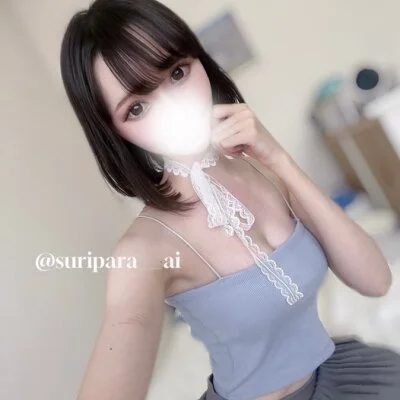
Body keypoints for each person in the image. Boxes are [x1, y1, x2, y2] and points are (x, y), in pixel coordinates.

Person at [60, 1, 400, 399]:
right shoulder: (143, 250)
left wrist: (279, 158)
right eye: (137, 108)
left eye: (178, 73)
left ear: (201, 62)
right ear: (114, 132)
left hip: (343, 370)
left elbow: (376, 280)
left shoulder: (262, 169)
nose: (174, 107)